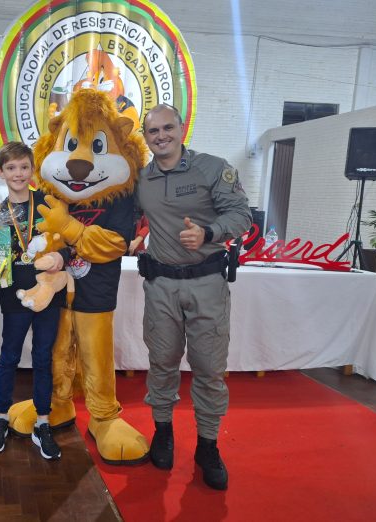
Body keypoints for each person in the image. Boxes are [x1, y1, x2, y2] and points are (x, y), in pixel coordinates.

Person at [135, 104, 252, 490]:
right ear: (145, 136)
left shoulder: (213, 168)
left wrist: (208, 232)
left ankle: (208, 446)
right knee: (162, 363)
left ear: (181, 128)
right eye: (153, 131)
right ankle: (163, 432)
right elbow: (117, 213)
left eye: (167, 128)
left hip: (207, 284)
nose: (161, 136)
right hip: (161, 286)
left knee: (209, 369)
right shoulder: (142, 178)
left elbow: (242, 215)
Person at [0, 142, 67, 460]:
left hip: (48, 294)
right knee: (9, 356)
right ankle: (0, 417)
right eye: (11, 168)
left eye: (23, 167)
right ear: (0, 172)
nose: (18, 173)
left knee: (43, 357)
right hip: (13, 294)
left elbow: (68, 241)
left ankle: (42, 422)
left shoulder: (47, 204)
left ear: (32, 170)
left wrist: (61, 255)